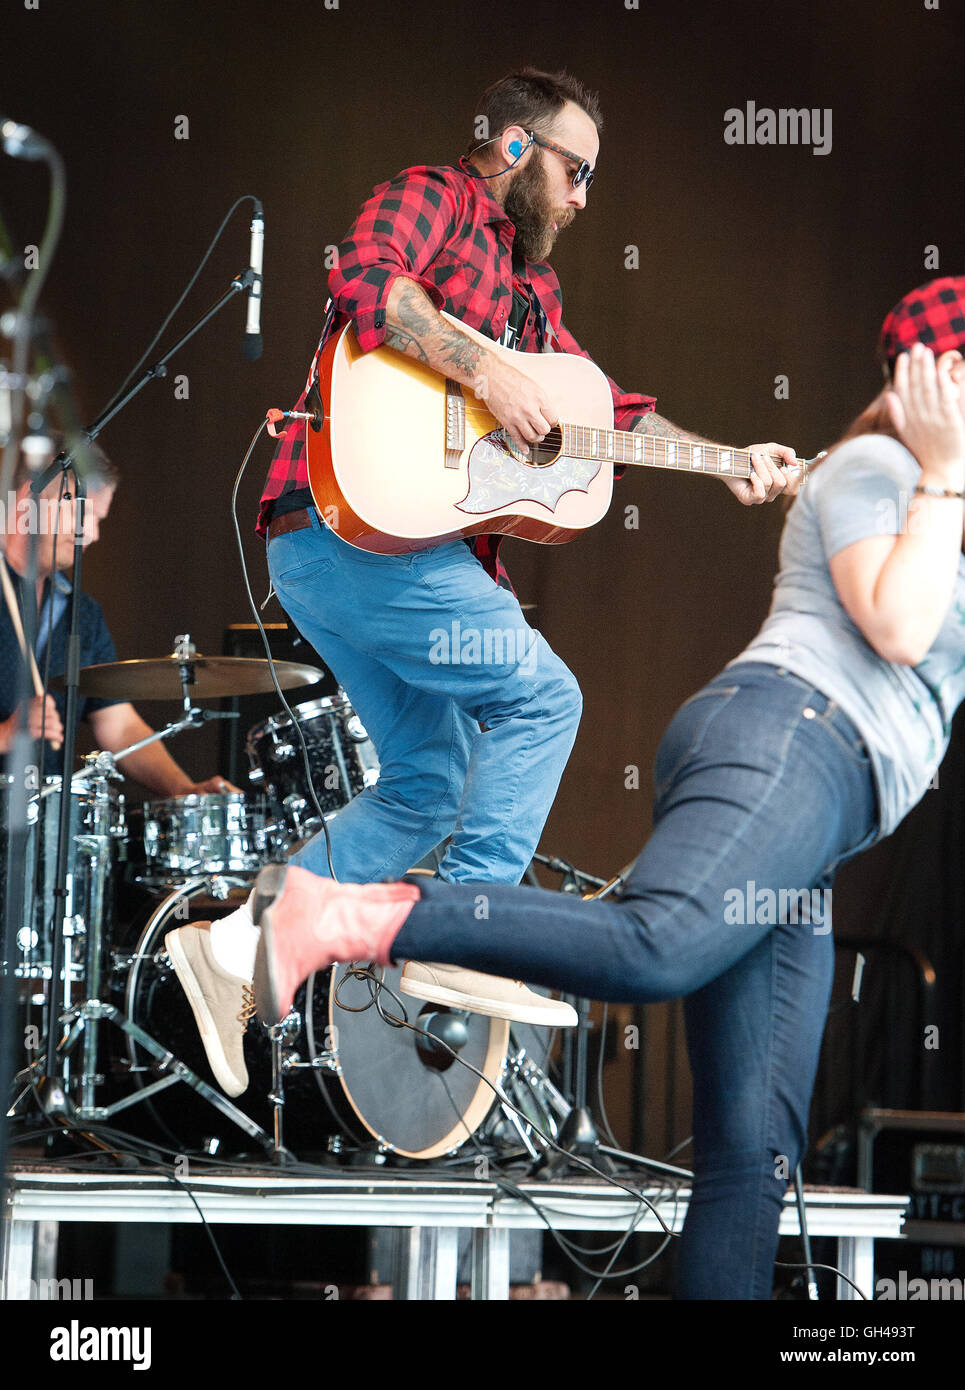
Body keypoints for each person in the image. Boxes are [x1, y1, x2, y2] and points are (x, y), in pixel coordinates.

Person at [242, 277, 965, 1298]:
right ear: (937, 382)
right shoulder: (878, 470)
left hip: (824, 812)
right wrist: (943, 476)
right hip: (786, 743)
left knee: (752, 1150)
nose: (579, 202)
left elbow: (611, 415)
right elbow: (895, 626)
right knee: (652, 943)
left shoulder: (932, 499)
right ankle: (340, 914)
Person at [170, 68, 799, 1074]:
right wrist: (485, 370)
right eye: (574, 171)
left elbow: (603, 412)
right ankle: (464, 936)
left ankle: (234, 947)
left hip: (345, 557)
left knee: (428, 785)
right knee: (542, 697)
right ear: (514, 146)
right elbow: (363, 279)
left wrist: (726, 458)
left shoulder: (532, 289)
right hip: (343, 528)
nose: (582, 199)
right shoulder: (438, 197)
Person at [0, 444, 236, 796]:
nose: (93, 534)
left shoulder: (81, 613)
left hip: (42, 819)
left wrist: (184, 790)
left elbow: (119, 725)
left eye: (99, 520)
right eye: (85, 514)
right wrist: (6, 734)